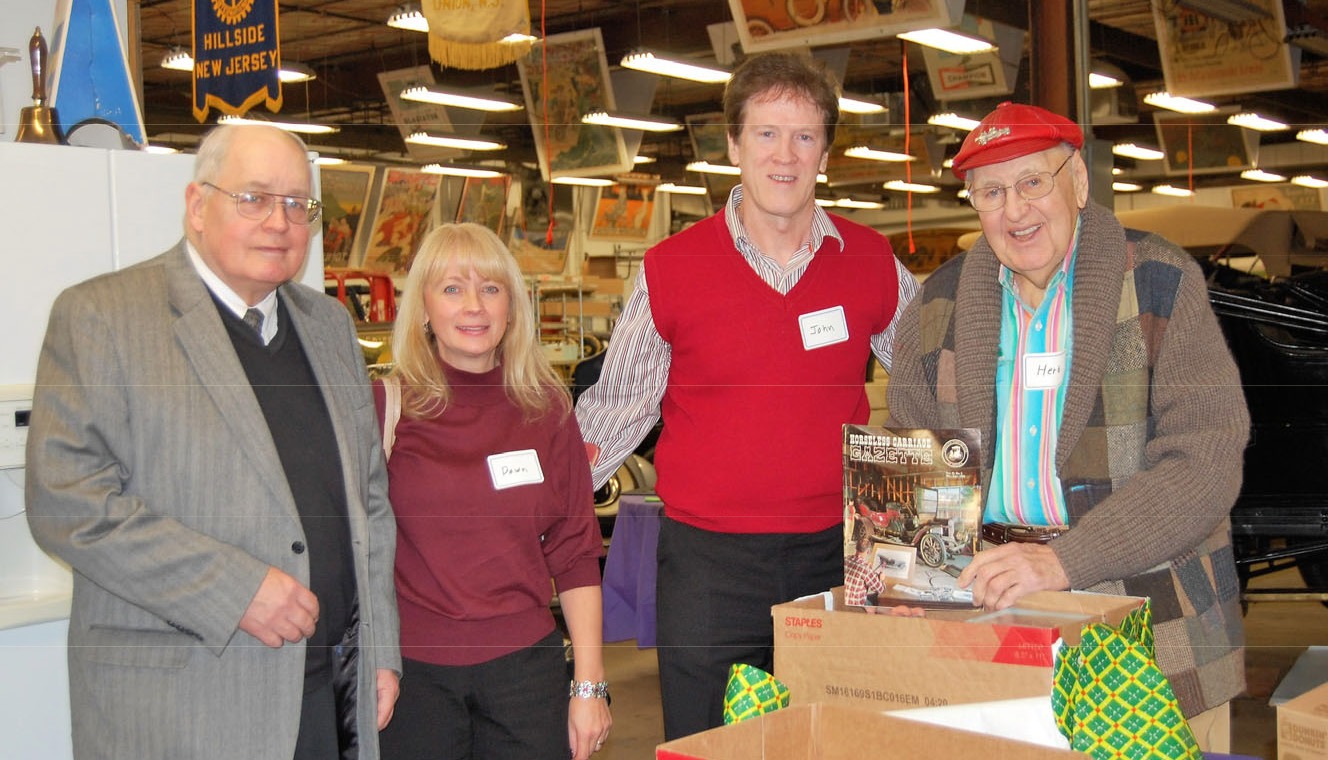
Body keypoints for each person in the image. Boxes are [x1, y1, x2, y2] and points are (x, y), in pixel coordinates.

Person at [24, 123, 400, 760]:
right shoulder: (103, 318)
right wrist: (233, 589)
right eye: (254, 198)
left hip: (327, 698)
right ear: (197, 206)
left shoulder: (329, 325)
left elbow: (369, 501)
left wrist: (380, 649)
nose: (279, 222)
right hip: (187, 706)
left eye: (297, 204)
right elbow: (68, 503)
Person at [575, 50, 919, 740]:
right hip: (708, 565)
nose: (784, 155)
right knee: (708, 741)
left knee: (828, 739)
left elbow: (930, 383)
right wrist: (537, 508)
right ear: (733, 144)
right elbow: (617, 408)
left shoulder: (872, 263)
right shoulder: (672, 268)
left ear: (825, 152)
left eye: (804, 135)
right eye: (766, 133)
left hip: (837, 557)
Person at [885, 101, 1249, 752]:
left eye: (1033, 182)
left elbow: (1205, 461)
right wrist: (910, 576)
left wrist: (1063, 560)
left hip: (1154, 626)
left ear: (1078, 182)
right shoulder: (935, 304)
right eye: (992, 192)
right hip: (993, 621)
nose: (1015, 210)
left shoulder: (1160, 282)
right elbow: (913, 456)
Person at [374, 223, 611, 760]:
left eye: (490, 287)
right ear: (423, 309)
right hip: (413, 683)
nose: (474, 306)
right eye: (452, 288)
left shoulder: (547, 410)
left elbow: (575, 553)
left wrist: (589, 686)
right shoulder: (385, 409)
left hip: (526, 679)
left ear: (511, 307)